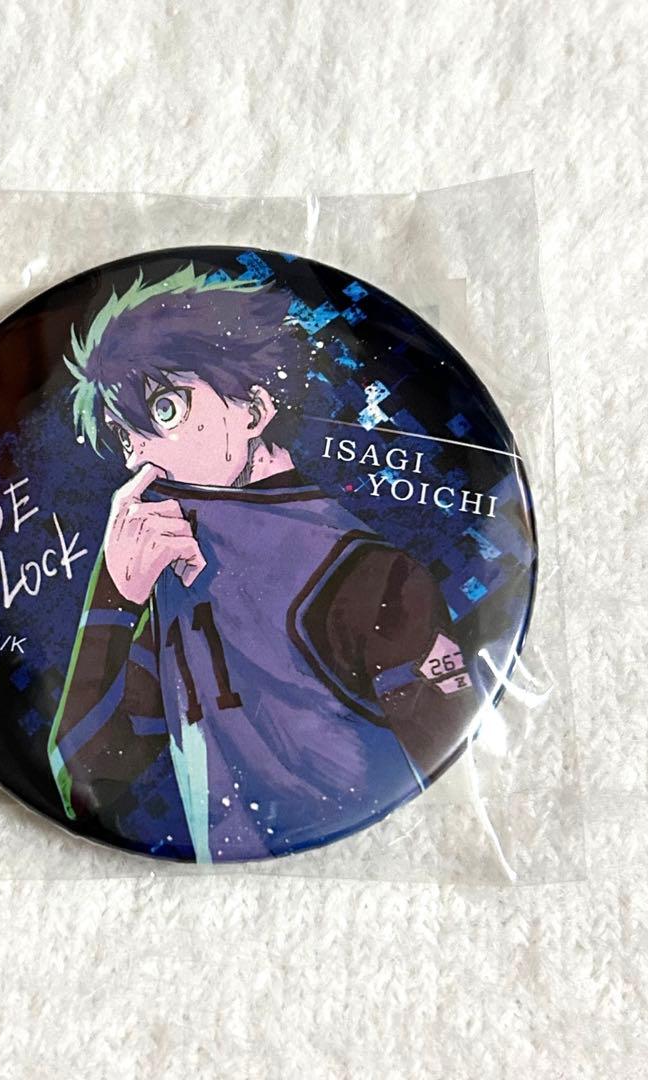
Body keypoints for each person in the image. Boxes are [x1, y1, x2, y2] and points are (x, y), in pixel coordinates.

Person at [48, 265, 474, 861]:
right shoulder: (176, 566)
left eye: (164, 408)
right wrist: (116, 592)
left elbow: (451, 788)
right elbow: (85, 779)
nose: (138, 457)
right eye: (124, 437)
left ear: (252, 409)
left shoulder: (369, 575)